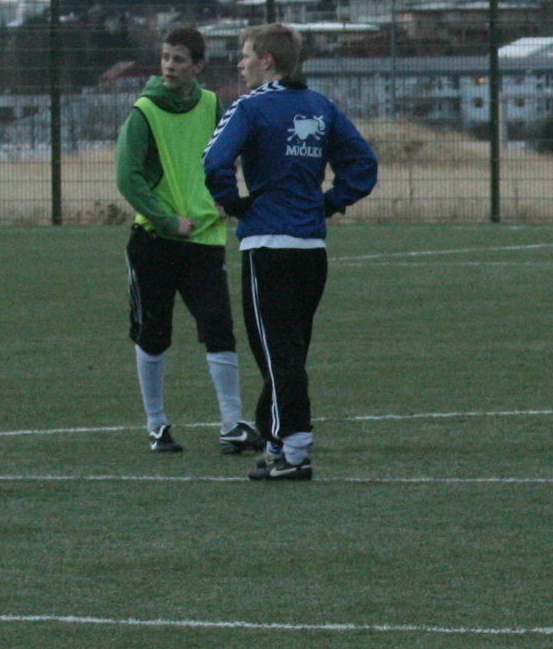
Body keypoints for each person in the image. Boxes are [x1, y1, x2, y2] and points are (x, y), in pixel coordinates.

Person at [202, 23, 379, 482]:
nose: (240, 64)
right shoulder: (321, 106)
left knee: (276, 354)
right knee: (287, 352)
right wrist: (328, 203)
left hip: (267, 247)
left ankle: (296, 450)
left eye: (245, 55)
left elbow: (214, 161)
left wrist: (234, 203)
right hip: (311, 249)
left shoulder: (250, 106)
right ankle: (277, 443)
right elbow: (363, 165)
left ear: (267, 60)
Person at [115, 24, 257, 456]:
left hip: (205, 240)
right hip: (154, 242)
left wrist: (225, 199)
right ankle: (157, 425)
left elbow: (224, 157)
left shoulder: (213, 105)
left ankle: (233, 424)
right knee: (154, 334)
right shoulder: (144, 110)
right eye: (165, 58)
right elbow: (128, 176)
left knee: (219, 329)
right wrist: (164, 219)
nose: (169, 66)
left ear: (197, 66)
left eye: (178, 59)